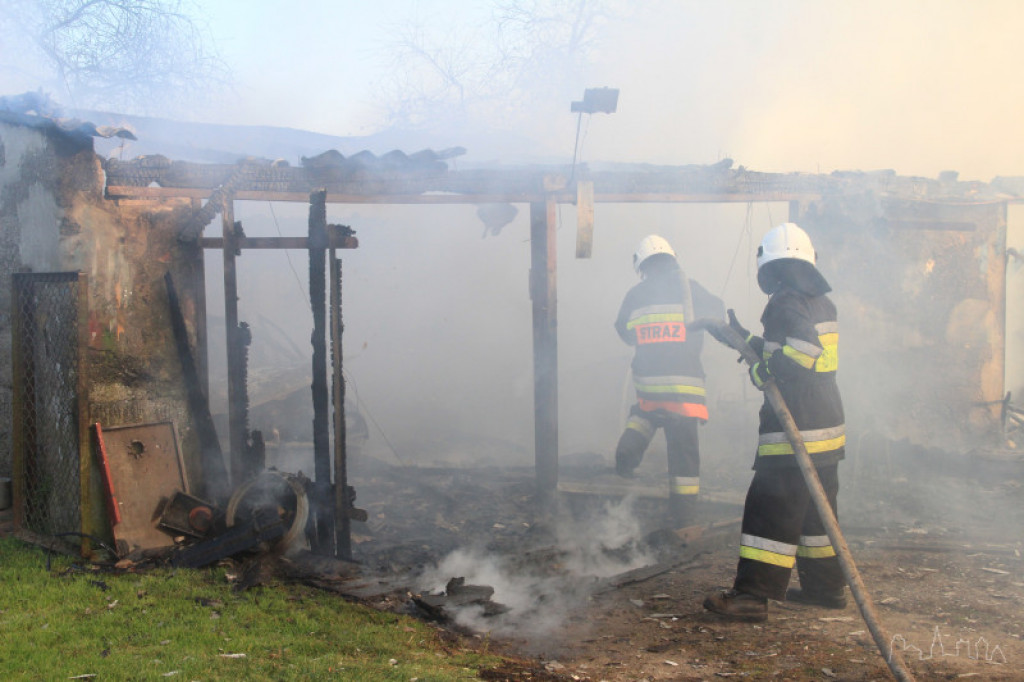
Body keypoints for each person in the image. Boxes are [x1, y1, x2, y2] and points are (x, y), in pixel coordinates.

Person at [703, 222, 846, 622]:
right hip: (826, 427)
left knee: (769, 508)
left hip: (793, 430)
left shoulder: (784, 299)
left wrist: (763, 372)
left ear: (771, 266)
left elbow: (802, 352)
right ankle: (826, 589)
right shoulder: (820, 301)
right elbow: (786, 350)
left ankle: (751, 597)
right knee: (818, 513)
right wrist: (742, 339)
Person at [614, 234, 723, 527]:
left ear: (643, 265)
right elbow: (718, 313)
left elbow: (622, 330)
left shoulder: (636, 295)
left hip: (648, 381)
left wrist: (649, 338)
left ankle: (626, 454)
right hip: (684, 388)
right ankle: (683, 517)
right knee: (683, 452)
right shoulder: (690, 289)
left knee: (645, 414)